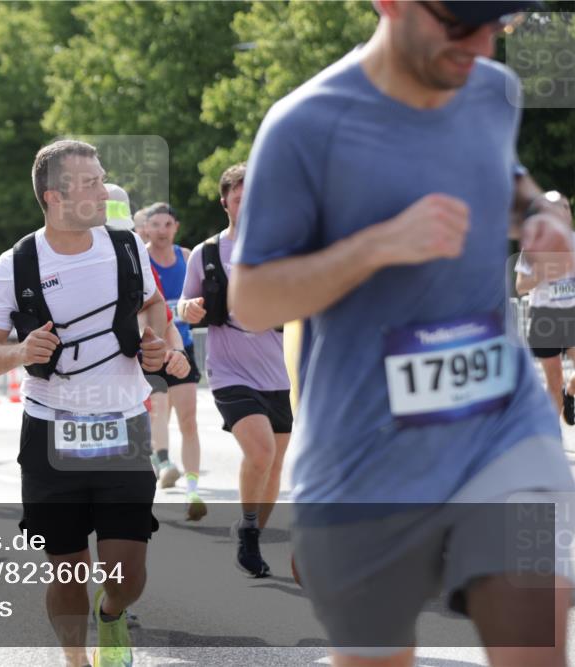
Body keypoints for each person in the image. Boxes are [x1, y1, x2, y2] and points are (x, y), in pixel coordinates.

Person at [230, 1, 574, 664]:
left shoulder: (493, 89)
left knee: (536, 631)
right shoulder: (304, 127)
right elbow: (251, 300)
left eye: (497, 22)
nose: (480, 41)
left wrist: (538, 216)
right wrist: (377, 245)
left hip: (501, 423)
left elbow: (502, 175)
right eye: (460, 20)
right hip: (364, 455)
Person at [0, 139, 174, 667]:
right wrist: (17, 350)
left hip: (123, 425)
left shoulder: (126, 246)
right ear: (54, 197)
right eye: (90, 183)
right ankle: (76, 661)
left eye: (103, 179)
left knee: (126, 575)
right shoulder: (16, 265)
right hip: (50, 431)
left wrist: (155, 340)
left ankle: (113, 613)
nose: (104, 191)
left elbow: (153, 306)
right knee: (68, 568)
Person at [179, 165, 292, 575]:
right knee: (260, 451)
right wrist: (188, 309)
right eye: (240, 197)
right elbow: (183, 302)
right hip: (229, 371)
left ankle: (252, 534)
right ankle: (248, 530)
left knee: (276, 463)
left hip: (278, 372)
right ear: (225, 201)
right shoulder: (207, 254)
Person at [143, 203, 205, 515]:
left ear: (175, 227)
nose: (161, 231)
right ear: (145, 228)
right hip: (150, 348)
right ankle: (163, 460)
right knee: (159, 410)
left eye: (167, 224)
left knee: (188, 419)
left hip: (183, 345)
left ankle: (192, 489)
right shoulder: (138, 258)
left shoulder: (187, 257)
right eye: (155, 224)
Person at [515, 192, 575, 422]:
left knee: (562, 384)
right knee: (553, 381)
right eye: (555, 208)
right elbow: (520, 286)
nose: (562, 211)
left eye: (565, 207)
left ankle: (570, 393)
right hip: (544, 317)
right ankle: (555, 442)